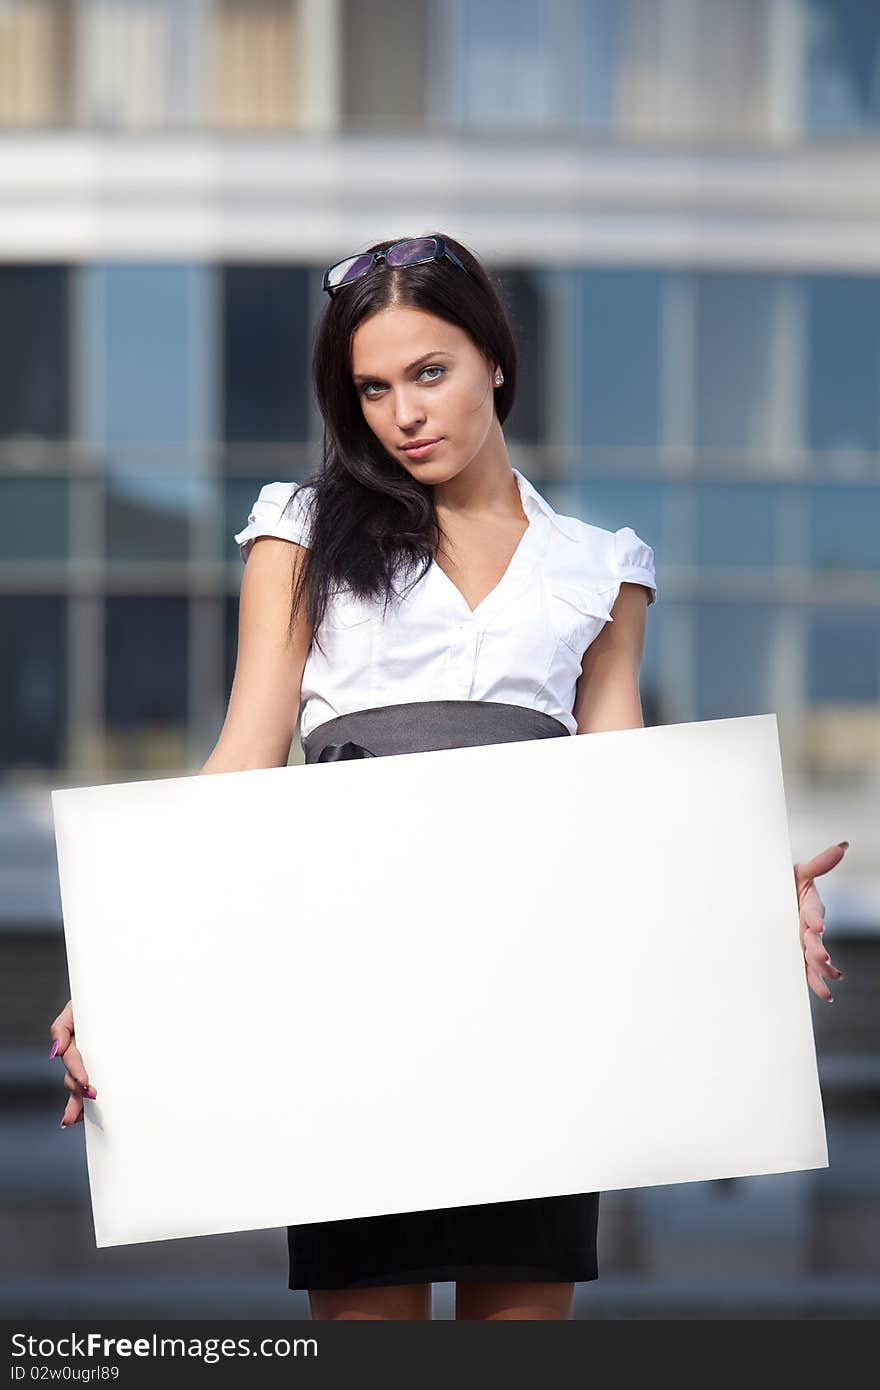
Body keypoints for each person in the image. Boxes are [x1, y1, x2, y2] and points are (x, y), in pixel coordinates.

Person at [49, 233, 848, 1321]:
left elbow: (623, 798)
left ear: (495, 362)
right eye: (372, 388)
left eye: (430, 372)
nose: (402, 414)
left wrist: (750, 888)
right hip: (355, 994)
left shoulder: (599, 565)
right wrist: (123, 965)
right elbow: (241, 759)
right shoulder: (302, 529)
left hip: (538, 998)